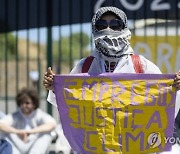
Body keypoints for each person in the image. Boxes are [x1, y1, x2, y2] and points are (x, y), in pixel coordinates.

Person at [43, 6, 180, 154]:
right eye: (102, 25)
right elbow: (69, 104)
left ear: (124, 27)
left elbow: (164, 103)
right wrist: (55, 88)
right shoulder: (85, 66)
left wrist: (175, 87)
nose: (108, 29)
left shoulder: (141, 65)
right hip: (96, 144)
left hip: (133, 145)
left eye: (115, 25)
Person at [0, 88, 57, 154]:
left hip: (34, 146)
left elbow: (52, 124)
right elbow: (1, 124)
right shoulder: (15, 115)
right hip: (17, 146)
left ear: (34, 104)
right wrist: (18, 132)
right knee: (4, 133)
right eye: (22, 103)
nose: (24, 106)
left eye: (27, 103)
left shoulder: (39, 114)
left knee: (47, 134)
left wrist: (30, 132)